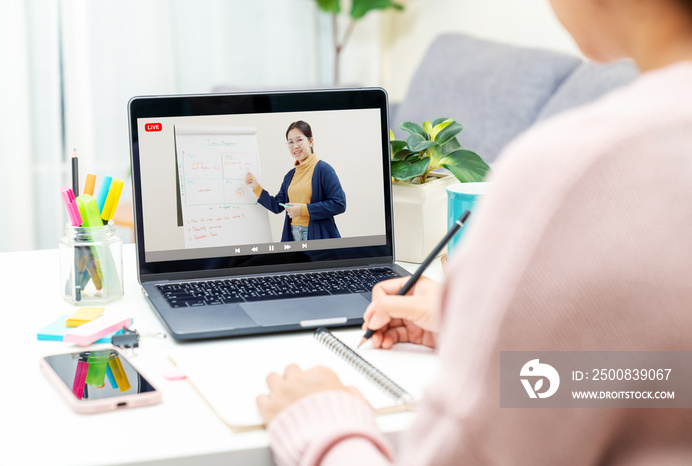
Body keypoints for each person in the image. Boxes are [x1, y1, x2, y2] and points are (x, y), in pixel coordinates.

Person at [255, 0, 692, 464]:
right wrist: (482, 332)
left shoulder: (572, 171)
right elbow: (666, 382)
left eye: (299, 139)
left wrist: (320, 422)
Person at [245, 121, 346, 242]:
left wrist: (303, 209)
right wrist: (255, 186)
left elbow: (339, 204)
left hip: (317, 235)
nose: (295, 146)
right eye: (290, 142)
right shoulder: (290, 176)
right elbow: (277, 206)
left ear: (310, 141)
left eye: (299, 140)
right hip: (293, 235)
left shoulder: (323, 169)